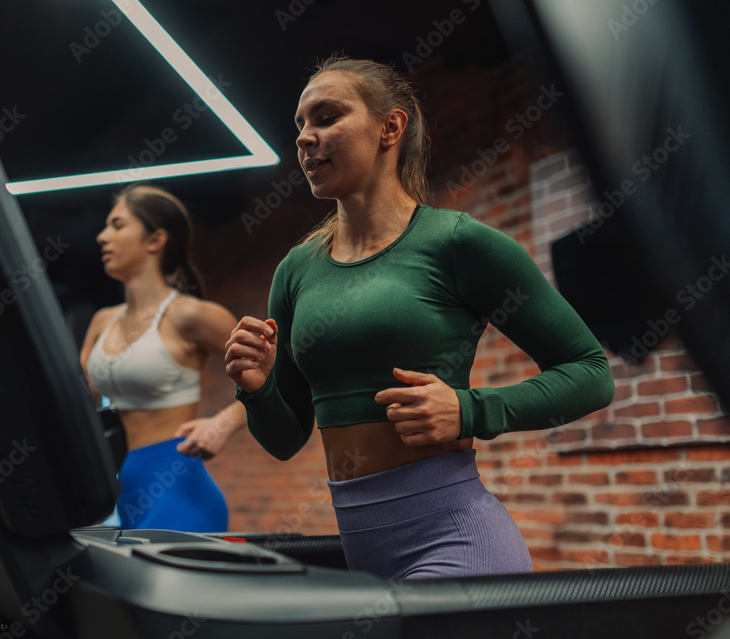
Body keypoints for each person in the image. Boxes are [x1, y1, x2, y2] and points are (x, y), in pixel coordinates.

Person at [224, 56, 615, 579]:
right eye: (300, 124)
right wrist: (256, 387)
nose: (305, 137)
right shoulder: (296, 271)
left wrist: (470, 410)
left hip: (457, 542)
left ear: (391, 126)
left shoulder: (457, 243)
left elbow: (591, 372)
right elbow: (285, 438)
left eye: (326, 117)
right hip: (365, 556)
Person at [81, 183, 247, 532]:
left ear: (155, 240)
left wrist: (224, 423)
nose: (102, 236)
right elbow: (78, 407)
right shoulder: (101, 321)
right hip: (121, 488)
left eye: (117, 225)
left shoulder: (192, 316)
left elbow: (280, 374)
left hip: (177, 488)